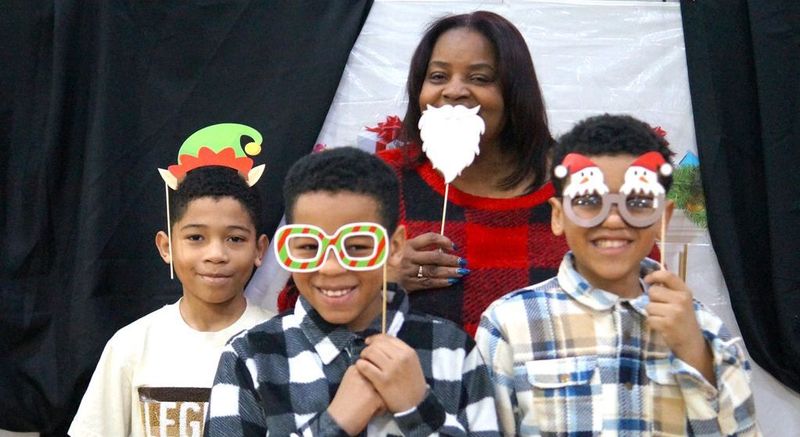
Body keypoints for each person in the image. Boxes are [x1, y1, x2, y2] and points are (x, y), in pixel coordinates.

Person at [476, 114, 759, 436]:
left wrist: (695, 353)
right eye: (588, 201)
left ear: (662, 219)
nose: (613, 220)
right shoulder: (508, 323)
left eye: (637, 202)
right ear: (558, 215)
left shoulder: (702, 327)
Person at [204, 147, 499, 436]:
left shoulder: (451, 349)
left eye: (357, 246)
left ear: (395, 247)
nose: (331, 267)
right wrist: (336, 422)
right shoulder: (251, 357)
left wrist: (417, 408)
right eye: (309, 246)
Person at [378, 11, 567, 335]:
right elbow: (306, 295)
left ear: (516, 92)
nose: (454, 91)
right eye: (438, 76)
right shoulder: (380, 180)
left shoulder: (577, 186)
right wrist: (379, 276)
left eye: (479, 78)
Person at [69, 165, 274, 437]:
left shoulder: (281, 344)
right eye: (196, 237)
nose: (216, 254)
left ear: (259, 249)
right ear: (167, 247)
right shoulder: (131, 345)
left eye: (235, 239)